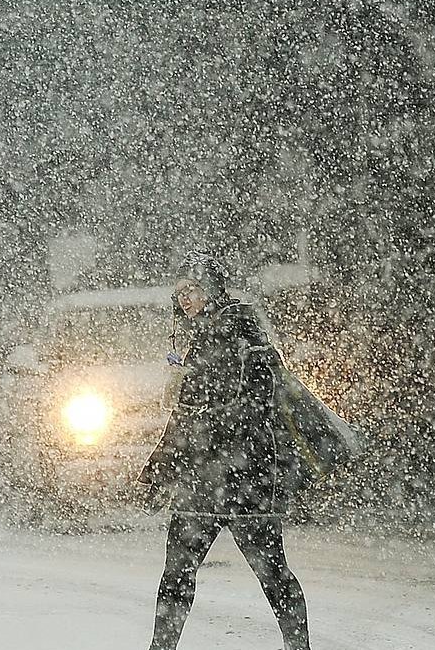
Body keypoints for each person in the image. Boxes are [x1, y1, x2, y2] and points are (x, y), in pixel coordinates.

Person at [138, 251, 311, 650]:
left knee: (271, 574)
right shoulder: (201, 338)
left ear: (213, 289)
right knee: (178, 573)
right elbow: (185, 417)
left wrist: (199, 429)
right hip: (203, 482)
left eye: (194, 289)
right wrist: (160, 470)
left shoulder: (240, 334)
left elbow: (246, 408)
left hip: (243, 478)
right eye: (180, 292)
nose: (185, 299)